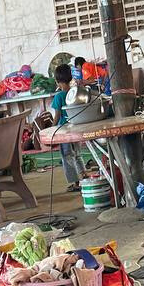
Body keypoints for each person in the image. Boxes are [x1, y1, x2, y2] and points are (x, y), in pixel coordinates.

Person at [49, 64, 85, 193]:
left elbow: (57, 116)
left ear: (57, 80)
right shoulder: (75, 92)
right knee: (77, 154)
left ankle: (75, 183)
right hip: (75, 128)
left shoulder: (59, 96)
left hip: (64, 132)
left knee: (67, 156)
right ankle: (84, 176)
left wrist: (52, 129)